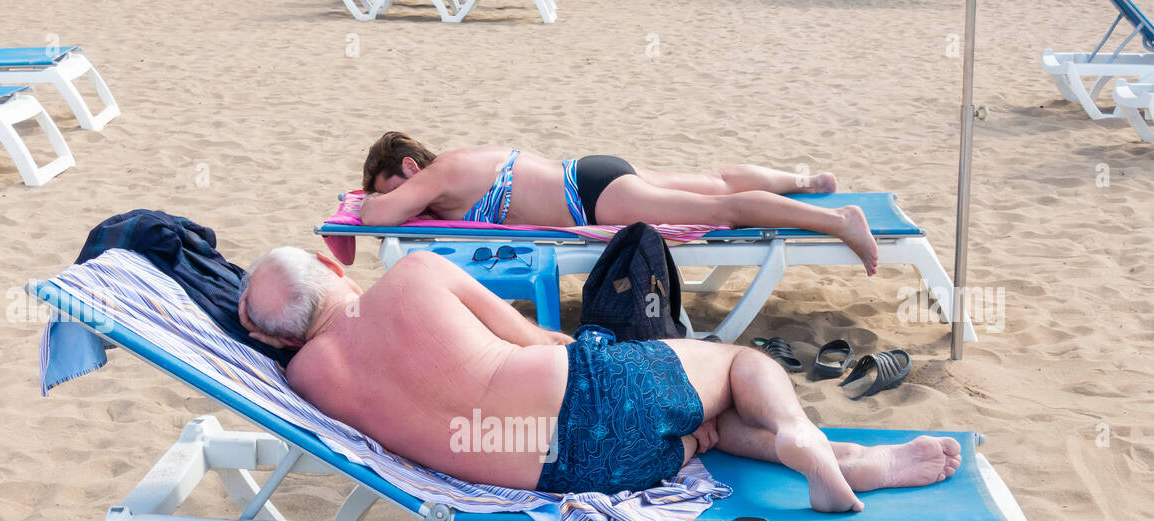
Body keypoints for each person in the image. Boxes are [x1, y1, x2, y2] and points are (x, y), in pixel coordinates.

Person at [237, 246, 959, 509]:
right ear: (330, 267)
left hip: (585, 473)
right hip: (588, 391)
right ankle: (802, 436)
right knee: (742, 364)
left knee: (707, 424)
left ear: (273, 338)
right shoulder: (415, 274)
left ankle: (850, 461)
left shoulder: (307, 380)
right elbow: (535, 338)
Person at [358, 132, 880, 274]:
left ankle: (838, 219)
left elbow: (378, 216)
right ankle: (807, 180)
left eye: (391, 185)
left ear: (409, 168)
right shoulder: (457, 167)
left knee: (723, 211)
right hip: (591, 174)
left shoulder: (438, 173)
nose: (394, 197)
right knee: (716, 183)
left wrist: (369, 202)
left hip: (593, 198)